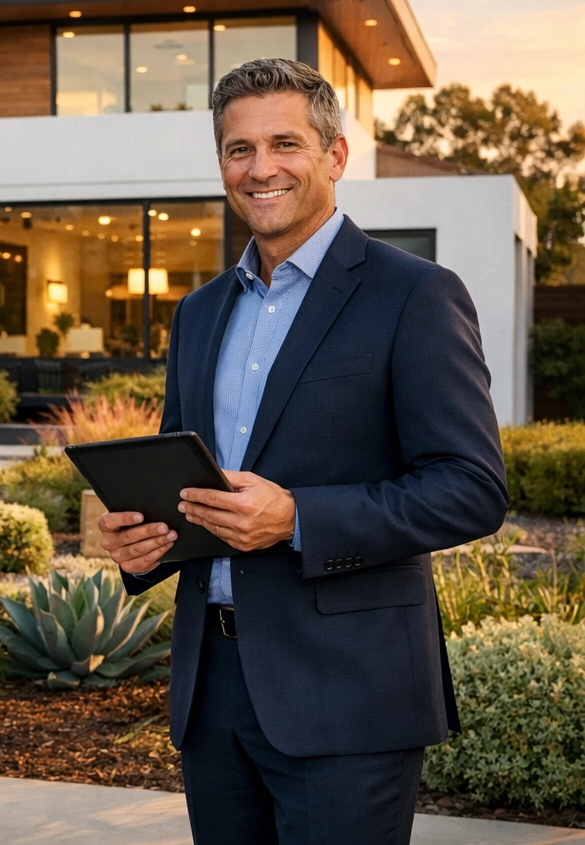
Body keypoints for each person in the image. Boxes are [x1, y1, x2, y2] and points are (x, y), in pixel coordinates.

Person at [99, 58, 508, 844]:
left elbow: (471, 488)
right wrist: (141, 542)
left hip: (348, 692)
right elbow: (186, 482)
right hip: (212, 694)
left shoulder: (414, 294)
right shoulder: (199, 313)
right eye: (239, 149)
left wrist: (296, 518)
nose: (260, 169)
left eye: (284, 144)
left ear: (335, 155)